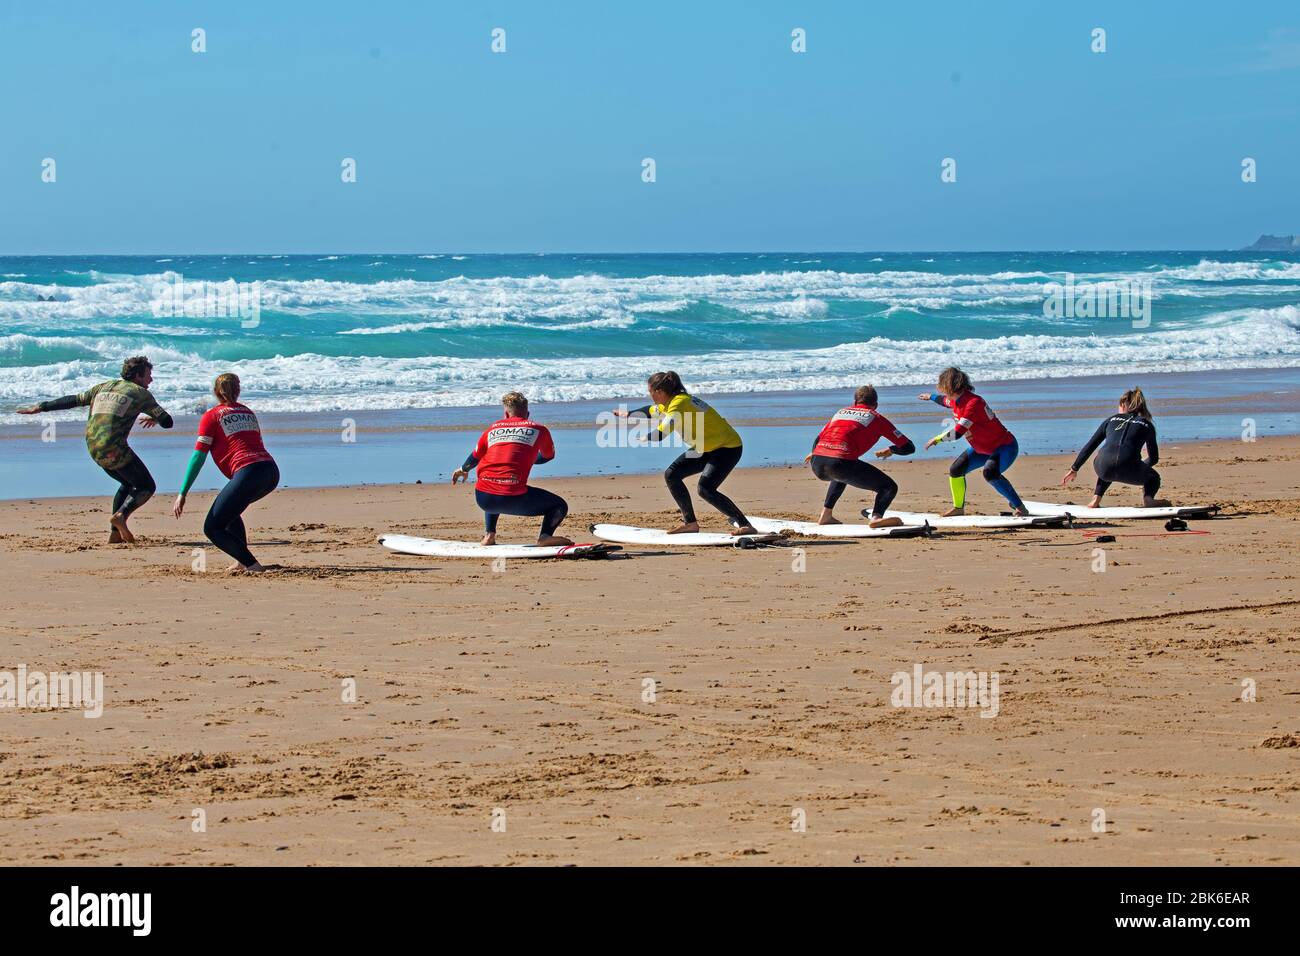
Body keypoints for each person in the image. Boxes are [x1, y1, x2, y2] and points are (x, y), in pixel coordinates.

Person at [16, 355, 172, 543]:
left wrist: (42, 407)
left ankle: (115, 534)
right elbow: (168, 422)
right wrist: (156, 417)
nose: (151, 379)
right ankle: (120, 516)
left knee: (128, 484)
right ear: (138, 376)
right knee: (146, 486)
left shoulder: (102, 387)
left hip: (93, 448)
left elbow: (73, 400)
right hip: (114, 449)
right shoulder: (140, 393)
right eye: (148, 375)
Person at [613, 371, 757, 535]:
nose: (650, 395)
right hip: (705, 447)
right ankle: (690, 524)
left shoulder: (679, 404)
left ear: (659, 392)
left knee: (705, 489)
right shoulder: (672, 401)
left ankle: (745, 525)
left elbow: (662, 433)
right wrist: (629, 414)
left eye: (650, 391)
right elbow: (651, 410)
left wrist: (642, 438)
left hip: (727, 448)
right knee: (672, 474)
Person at [172, 373, 280, 573]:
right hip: (271, 471)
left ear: (215, 392)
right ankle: (241, 562)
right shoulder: (248, 412)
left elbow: (198, 457)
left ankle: (253, 565)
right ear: (238, 391)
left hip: (249, 472)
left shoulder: (212, 416)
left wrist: (183, 492)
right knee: (230, 513)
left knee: (212, 527)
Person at [452, 392, 572, 547]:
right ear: (527, 414)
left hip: (483, 499)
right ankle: (545, 536)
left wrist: (462, 469)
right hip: (513, 498)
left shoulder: (491, 430)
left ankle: (489, 535)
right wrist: (526, 460)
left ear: (506, 414)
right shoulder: (539, 430)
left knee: (492, 482)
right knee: (559, 505)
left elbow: (474, 457)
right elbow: (548, 456)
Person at [918, 367, 1028, 517]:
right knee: (956, 470)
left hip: (1004, 447)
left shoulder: (973, 403)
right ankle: (958, 508)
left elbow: (957, 433)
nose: (941, 388)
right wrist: (930, 396)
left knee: (990, 473)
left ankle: (1020, 507)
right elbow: (943, 401)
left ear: (951, 385)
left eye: (942, 385)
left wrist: (937, 439)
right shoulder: (955, 400)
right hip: (981, 449)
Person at [804, 386, 915, 526]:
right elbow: (909, 447)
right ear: (876, 405)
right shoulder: (877, 418)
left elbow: (818, 438)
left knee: (839, 476)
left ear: (855, 402)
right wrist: (892, 450)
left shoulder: (841, 413)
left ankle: (825, 516)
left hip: (817, 463)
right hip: (840, 464)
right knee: (889, 487)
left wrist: (815, 452)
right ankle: (876, 518)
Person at [1061, 387, 1168, 508]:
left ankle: (1096, 498)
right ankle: (1148, 499)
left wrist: (1074, 468)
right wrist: (1137, 466)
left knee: (1107, 461)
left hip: (1103, 467)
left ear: (1123, 405)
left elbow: (1091, 445)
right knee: (1153, 478)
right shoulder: (1147, 425)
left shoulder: (1110, 419)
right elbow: (1154, 458)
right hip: (1130, 467)